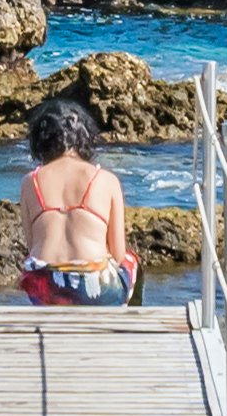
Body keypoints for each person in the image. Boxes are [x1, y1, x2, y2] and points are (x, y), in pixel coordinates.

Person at [15, 100, 137, 306]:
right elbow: (117, 254)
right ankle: (124, 324)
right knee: (130, 262)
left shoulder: (30, 181)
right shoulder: (106, 179)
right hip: (94, 286)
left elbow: (32, 244)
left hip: (44, 284)